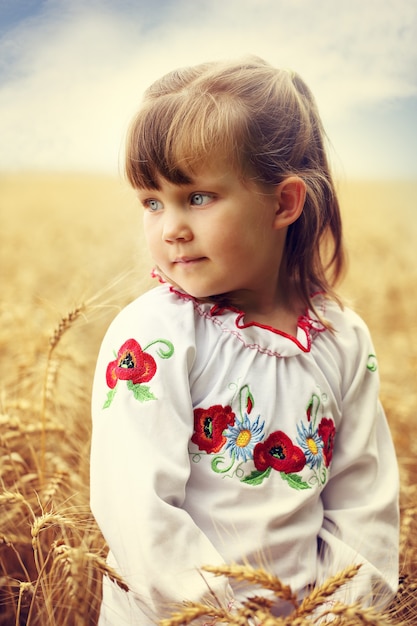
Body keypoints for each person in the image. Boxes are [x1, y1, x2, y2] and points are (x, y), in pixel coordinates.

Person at [90, 57, 399, 624]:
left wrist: (336, 616)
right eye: (151, 202)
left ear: (283, 202)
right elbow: (139, 515)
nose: (169, 228)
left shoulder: (343, 340)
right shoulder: (153, 338)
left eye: (197, 198)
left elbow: (365, 508)